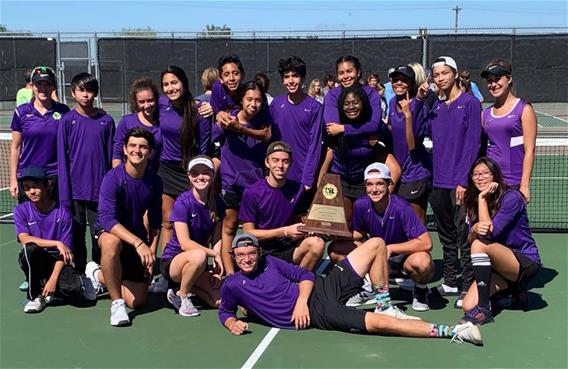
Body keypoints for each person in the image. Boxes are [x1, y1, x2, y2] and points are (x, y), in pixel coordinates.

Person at [218, 233, 483, 346]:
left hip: (319, 289)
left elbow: (306, 274)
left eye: (251, 253)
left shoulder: (270, 262)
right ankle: (455, 331)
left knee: (377, 243)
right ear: (235, 256)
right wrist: (231, 323)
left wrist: (300, 300)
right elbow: (225, 311)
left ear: (258, 252)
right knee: (379, 324)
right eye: (240, 255)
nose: (246, 259)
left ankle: (383, 301)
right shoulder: (232, 285)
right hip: (319, 312)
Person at [330, 163, 434, 311]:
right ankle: (369, 287)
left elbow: (426, 243)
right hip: (378, 256)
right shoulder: (360, 205)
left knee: (423, 262)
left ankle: (421, 289)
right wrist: (334, 233)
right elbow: (360, 233)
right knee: (336, 250)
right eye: (370, 184)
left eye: (379, 184)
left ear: (389, 184)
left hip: (402, 256)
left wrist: (390, 249)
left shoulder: (402, 207)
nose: (374, 189)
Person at [86, 127, 163, 327]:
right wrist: (139, 243)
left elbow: (155, 222)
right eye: (133, 146)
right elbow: (106, 218)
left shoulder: (155, 181)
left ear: (150, 152)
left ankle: (99, 274)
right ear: (125, 150)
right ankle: (117, 304)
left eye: (143, 147)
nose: (137, 150)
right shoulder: (112, 178)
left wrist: (151, 253)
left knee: (138, 301)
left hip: (135, 238)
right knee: (112, 243)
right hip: (108, 232)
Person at [421, 56, 482, 308]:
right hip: (438, 182)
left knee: (463, 235)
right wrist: (422, 100)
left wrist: (463, 181)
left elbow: (473, 143)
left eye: (445, 73)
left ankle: (467, 285)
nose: (440, 78)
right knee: (446, 234)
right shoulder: (435, 106)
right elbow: (419, 129)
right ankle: (449, 280)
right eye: (436, 75)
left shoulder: (470, 104)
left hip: (460, 183)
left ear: (455, 74)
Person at [462, 157, 541, 324]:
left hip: (524, 261)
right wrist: (474, 229)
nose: (480, 177)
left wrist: (483, 199)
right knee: (468, 306)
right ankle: (512, 291)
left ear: (495, 176)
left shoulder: (512, 198)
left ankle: (484, 309)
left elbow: (489, 234)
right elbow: (470, 239)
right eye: (475, 174)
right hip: (498, 264)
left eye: (485, 173)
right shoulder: (471, 200)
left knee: (480, 244)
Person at [14, 167, 96, 313]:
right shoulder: (21, 210)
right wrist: (56, 243)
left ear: (47, 185)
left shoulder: (63, 213)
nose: (31, 192)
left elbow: (65, 254)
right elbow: (24, 239)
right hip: (35, 257)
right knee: (30, 249)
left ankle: (50, 286)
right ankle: (35, 296)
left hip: (57, 260)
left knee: (74, 290)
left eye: (35, 186)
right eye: (27, 188)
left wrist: (53, 280)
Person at [156, 65, 212, 276]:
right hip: (166, 171)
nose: (170, 88)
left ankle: (196, 267)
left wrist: (198, 175)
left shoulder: (199, 110)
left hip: (190, 173)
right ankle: (165, 272)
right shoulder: (160, 104)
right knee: (168, 222)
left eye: (174, 82)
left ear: (184, 83)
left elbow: (204, 148)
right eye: (166, 85)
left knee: (194, 222)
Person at [57, 72, 115, 273]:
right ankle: (80, 274)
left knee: (99, 236)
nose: (85, 95)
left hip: (99, 193)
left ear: (96, 94)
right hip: (74, 194)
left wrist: (109, 191)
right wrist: (64, 197)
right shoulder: (66, 121)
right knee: (76, 236)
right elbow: (62, 161)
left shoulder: (106, 121)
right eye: (81, 90)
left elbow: (110, 159)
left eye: (90, 90)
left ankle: (99, 273)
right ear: (73, 93)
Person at [319, 84, 400, 227]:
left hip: (365, 184)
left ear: (363, 104)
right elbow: (326, 161)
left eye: (356, 102)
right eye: (347, 104)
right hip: (341, 183)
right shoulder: (334, 130)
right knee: (345, 226)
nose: (351, 107)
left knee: (366, 226)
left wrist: (383, 195)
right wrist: (319, 194)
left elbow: (395, 168)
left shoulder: (376, 129)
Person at [239, 141, 325, 270]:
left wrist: (308, 227)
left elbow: (300, 218)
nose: (280, 165)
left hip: (290, 247)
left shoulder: (298, 188)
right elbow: (248, 233)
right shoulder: (252, 192)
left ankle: (299, 281)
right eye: (275, 160)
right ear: (267, 162)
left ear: (290, 164)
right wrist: (284, 232)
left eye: (285, 161)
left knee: (317, 243)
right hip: (263, 250)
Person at [217, 81, 272, 275]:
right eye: (249, 99)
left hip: (255, 187)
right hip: (231, 185)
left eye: (258, 100)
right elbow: (209, 135)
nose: (253, 104)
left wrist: (239, 127)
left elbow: (266, 136)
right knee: (229, 227)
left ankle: (256, 271)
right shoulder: (225, 121)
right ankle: (231, 274)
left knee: (255, 231)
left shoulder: (263, 124)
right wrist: (218, 115)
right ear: (241, 100)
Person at [160, 156, 224, 316]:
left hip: (198, 262)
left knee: (219, 301)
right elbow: (184, 243)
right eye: (194, 173)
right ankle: (183, 295)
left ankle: (183, 288)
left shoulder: (218, 203)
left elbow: (217, 237)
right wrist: (214, 254)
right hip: (174, 261)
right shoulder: (183, 202)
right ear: (188, 176)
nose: (200, 177)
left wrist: (217, 263)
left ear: (213, 175)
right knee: (199, 255)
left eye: (205, 173)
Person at [270, 56, 324, 211]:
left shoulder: (315, 107)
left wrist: (307, 178)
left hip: (301, 179)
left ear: (303, 78)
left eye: (295, 76)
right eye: (287, 77)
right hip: (278, 175)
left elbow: (315, 146)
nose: (291, 81)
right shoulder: (276, 104)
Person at [10, 66, 70, 203]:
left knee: (55, 222)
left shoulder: (64, 111)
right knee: (30, 222)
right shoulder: (21, 112)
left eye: (48, 84)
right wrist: (13, 179)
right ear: (32, 86)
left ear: (53, 87)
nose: (43, 88)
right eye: (39, 84)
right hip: (28, 176)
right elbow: (16, 147)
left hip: (55, 177)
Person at [480, 59, 537, 203]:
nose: (493, 84)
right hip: (490, 182)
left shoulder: (524, 109)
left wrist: (524, 185)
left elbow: (529, 151)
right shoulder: (485, 114)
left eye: (497, 79)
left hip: (513, 183)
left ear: (509, 78)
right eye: (489, 81)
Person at [387, 65, 431, 223]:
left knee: (416, 223)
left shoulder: (418, 106)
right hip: (398, 171)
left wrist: (408, 115)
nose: (399, 83)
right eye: (395, 80)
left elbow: (411, 144)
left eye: (404, 80)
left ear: (411, 84)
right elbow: (393, 129)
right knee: (400, 222)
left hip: (415, 173)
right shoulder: (392, 102)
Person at [323, 55, 383, 142]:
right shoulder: (332, 95)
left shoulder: (371, 94)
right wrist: (364, 130)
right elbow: (332, 128)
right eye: (341, 73)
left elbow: (373, 126)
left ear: (358, 72)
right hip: (342, 150)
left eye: (349, 71)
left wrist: (342, 128)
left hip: (369, 150)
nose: (345, 76)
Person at [112, 77, 163, 174]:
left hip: (154, 177)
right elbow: (117, 153)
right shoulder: (126, 122)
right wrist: (118, 178)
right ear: (136, 103)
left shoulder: (162, 123)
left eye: (150, 100)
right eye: (142, 102)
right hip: (131, 176)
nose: (147, 105)